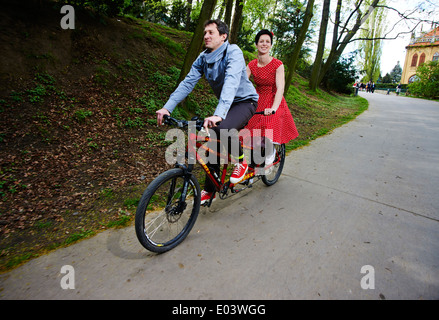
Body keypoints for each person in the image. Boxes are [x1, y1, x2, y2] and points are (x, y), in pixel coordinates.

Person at [156, 19, 259, 204]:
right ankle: (210, 190)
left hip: (245, 102)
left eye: (211, 32)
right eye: (205, 33)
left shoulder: (233, 51)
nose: (206, 36)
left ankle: (241, 161)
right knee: (213, 139)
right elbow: (187, 83)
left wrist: (219, 114)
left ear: (223, 36)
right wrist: (167, 107)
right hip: (226, 105)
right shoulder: (203, 58)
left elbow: (231, 82)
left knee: (222, 128)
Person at [244, 30, 298, 169]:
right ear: (256, 44)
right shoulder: (251, 65)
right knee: (250, 128)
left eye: (267, 41)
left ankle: (271, 151)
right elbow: (242, 83)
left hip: (275, 99)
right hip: (259, 98)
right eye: (261, 41)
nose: (264, 44)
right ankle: (251, 167)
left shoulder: (277, 64)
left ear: (271, 45)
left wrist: (274, 108)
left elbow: (280, 88)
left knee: (269, 124)